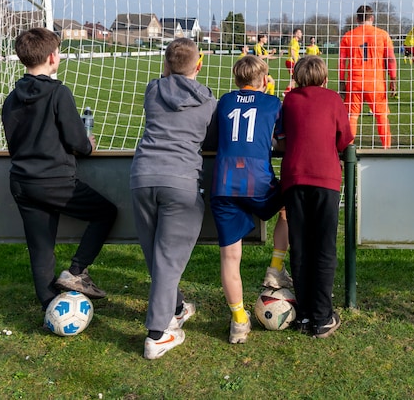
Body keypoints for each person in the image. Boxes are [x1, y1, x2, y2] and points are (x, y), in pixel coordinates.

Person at [1, 28, 117, 312]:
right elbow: (77, 141)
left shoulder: (11, 98)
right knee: (106, 212)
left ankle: (49, 307)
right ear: (53, 57)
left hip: (21, 181)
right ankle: (77, 271)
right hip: (54, 180)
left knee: (40, 247)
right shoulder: (58, 93)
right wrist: (87, 145)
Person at [130, 38, 216, 360]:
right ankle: (157, 334)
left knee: (156, 254)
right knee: (167, 259)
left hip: (142, 178)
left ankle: (176, 307)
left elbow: (168, 81)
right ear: (200, 64)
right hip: (180, 181)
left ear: (165, 64)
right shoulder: (208, 101)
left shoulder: (153, 90)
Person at [208, 55, 285, 344]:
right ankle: (276, 268)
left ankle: (239, 321)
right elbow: (281, 142)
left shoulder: (225, 102)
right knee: (289, 204)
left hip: (224, 184)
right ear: (264, 80)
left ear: (236, 79)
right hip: (258, 183)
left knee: (230, 257)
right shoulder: (273, 103)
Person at [280, 56, 354, 337]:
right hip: (325, 178)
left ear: (297, 78)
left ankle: (304, 314)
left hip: (294, 177)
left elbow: (283, 136)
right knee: (324, 247)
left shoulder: (289, 100)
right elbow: (345, 139)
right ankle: (322, 316)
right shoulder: (333, 98)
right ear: (325, 78)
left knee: (300, 246)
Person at [338, 5, 398, 148]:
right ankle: (386, 149)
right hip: (376, 82)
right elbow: (391, 59)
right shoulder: (382, 35)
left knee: (352, 117)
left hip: (355, 82)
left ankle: (348, 150)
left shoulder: (348, 36)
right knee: (381, 116)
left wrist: (341, 81)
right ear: (372, 18)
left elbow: (341, 62)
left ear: (357, 19)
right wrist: (393, 79)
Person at [284, 27, 302, 94]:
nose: (301, 34)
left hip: (291, 61)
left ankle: (292, 92)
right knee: (295, 77)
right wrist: (296, 61)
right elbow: (292, 52)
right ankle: (286, 92)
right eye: (300, 32)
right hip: (291, 61)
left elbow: (296, 53)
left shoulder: (295, 41)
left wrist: (300, 58)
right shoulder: (294, 41)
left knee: (293, 77)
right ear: (295, 34)